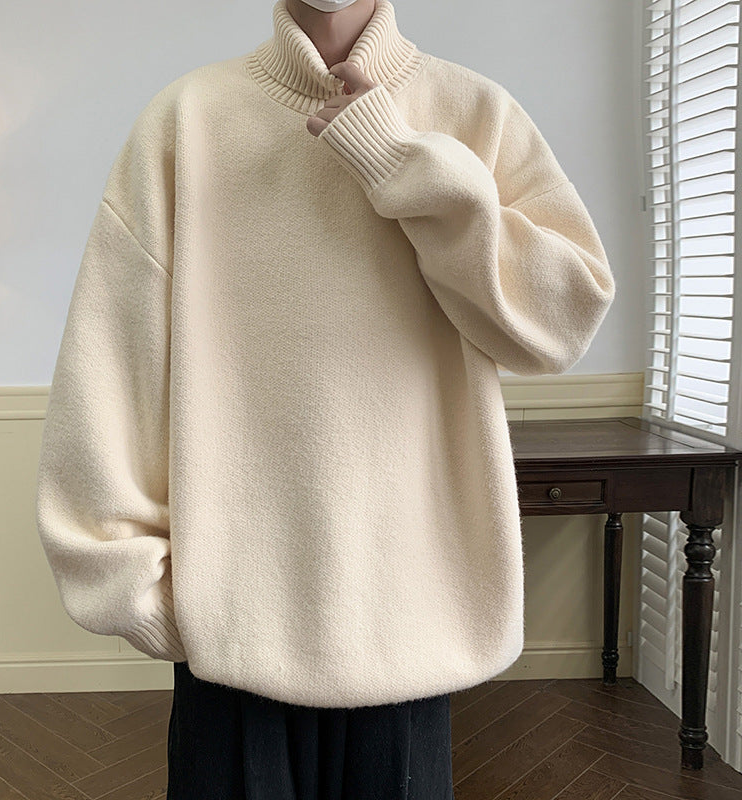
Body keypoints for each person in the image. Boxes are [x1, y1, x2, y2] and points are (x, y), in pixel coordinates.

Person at [35, 0, 616, 797]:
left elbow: (561, 322)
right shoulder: (187, 121)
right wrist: (136, 591)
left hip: (413, 631)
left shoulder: (472, 111)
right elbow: (109, 366)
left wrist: (403, 162)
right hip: (230, 637)